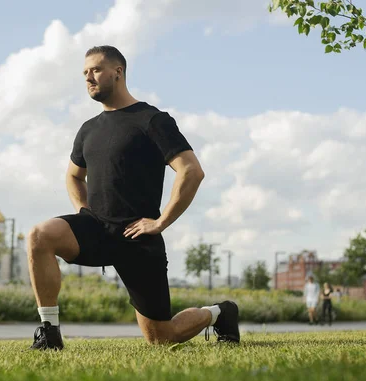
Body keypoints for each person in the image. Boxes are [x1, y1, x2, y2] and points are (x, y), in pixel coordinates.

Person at [27, 45, 239, 350]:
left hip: (138, 237)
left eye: (96, 70)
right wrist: (84, 210)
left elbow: (191, 171)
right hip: (97, 229)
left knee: (160, 338)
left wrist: (161, 222)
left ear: (118, 71)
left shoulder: (151, 120)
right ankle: (49, 333)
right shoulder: (88, 129)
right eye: (85, 72)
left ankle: (219, 313)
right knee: (39, 235)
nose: (89, 77)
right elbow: (73, 176)